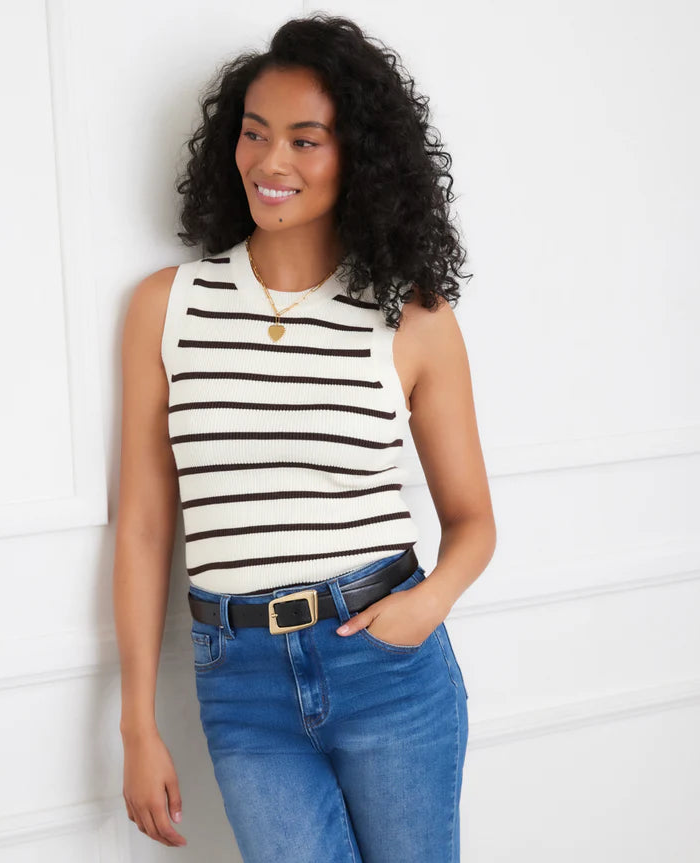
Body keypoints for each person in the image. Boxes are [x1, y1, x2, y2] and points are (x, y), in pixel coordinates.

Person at [113, 13, 496, 863]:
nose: (270, 161)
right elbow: (143, 527)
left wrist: (421, 609)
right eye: (254, 133)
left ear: (358, 154)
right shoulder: (166, 307)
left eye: (304, 139)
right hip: (240, 683)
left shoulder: (413, 317)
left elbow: (473, 521)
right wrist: (137, 720)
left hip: (387, 667)